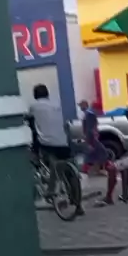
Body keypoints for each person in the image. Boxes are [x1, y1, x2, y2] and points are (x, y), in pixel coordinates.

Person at [29, 84, 84, 215]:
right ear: (47, 94)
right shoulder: (57, 106)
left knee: (51, 164)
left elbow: (31, 125)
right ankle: (78, 206)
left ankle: (51, 189)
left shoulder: (33, 107)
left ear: (35, 95)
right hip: (63, 142)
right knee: (70, 173)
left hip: (46, 144)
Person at [78, 99, 117, 205]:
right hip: (92, 140)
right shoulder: (90, 114)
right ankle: (99, 171)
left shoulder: (88, 114)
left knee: (94, 157)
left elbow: (89, 130)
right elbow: (90, 130)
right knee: (99, 156)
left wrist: (90, 141)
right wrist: (91, 141)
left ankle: (92, 172)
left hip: (92, 140)